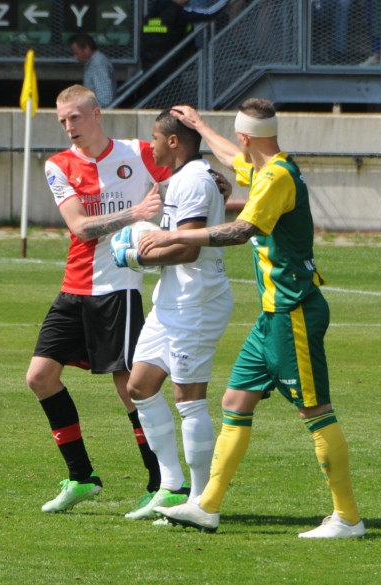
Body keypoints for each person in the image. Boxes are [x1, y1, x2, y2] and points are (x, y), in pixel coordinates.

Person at [141, 100, 365, 539]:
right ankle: (206, 507)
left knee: (315, 411)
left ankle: (348, 518)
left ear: (246, 136)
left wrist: (174, 234)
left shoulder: (275, 177)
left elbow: (240, 231)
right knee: (234, 403)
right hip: (271, 316)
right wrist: (200, 126)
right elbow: (230, 156)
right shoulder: (267, 167)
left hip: (293, 310)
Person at [26, 84, 171, 514]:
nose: (69, 127)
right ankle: (82, 476)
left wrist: (214, 181)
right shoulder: (59, 165)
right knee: (39, 377)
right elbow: (80, 228)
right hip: (75, 286)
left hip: (118, 288)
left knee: (129, 387)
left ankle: (161, 483)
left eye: (75, 117)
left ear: (96, 114)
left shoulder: (139, 152)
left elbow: (184, 180)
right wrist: (134, 214)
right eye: (62, 120)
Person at [111, 108, 234, 520]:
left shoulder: (195, 181)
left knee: (189, 399)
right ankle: (169, 487)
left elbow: (189, 247)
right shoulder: (185, 179)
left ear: (175, 141)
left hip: (197, 301)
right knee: (140, 386)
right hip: (171, 300)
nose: (151, 145)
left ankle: (200, 502)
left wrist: (137, 257)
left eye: (155, 137)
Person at [68, 33, 117, 108]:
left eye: (77, 53)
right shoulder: (94, 62)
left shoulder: (98, 63)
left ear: (87, 49)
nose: (75, 57)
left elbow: (105, 98)